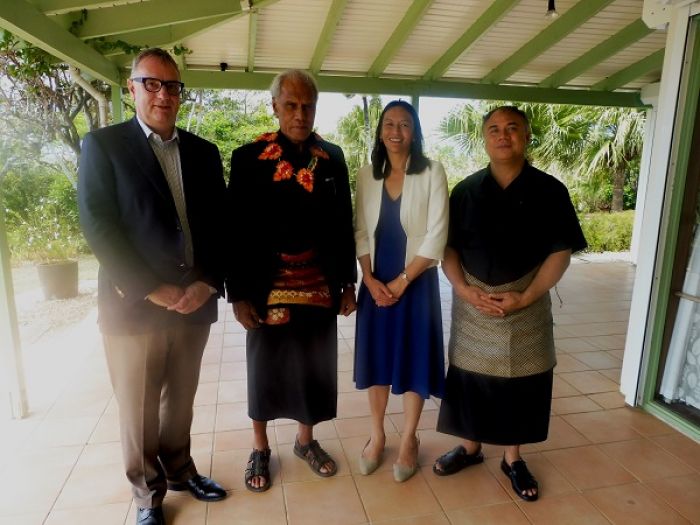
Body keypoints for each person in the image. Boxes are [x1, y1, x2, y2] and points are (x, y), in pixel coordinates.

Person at [78, 48, 227, 525]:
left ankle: (181, 469)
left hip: (193, 303)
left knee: (180, 399)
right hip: (135, 305)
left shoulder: (204, 154)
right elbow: (98, 225)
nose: (163, 95)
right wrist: (149, 288)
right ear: (132, 87)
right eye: (152, 84)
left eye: (172, 86)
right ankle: (147, 495)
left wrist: (208, 282)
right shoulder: (103, 146)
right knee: (139, 409)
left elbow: (221, 227)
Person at [433, 106, 587, 501]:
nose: (503, 135)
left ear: (527, 136)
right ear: (485, 139)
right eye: (494, 129)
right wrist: (463, 289)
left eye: (512, 128)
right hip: (473, 303)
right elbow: (447, 248)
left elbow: (560, 252)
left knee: (523, 383)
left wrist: (527, 296)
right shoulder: (465, 191)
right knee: (471, 380)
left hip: (527, 303)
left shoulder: (551, 191)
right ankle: (470, 448)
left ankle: (512, 458)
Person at [226, 69, 357, 493]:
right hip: (267, 286)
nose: (300, 114)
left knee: (314, 365)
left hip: (319, 284)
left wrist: (348, 282)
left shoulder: (332, 157)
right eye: (291, 105)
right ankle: (260, 447)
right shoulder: (248, 159)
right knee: (265, 366)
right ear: (275, 107)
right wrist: (239, 294)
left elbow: (343, 224)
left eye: (308, 106)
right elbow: (236, 230)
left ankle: (306, 441)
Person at [353, 100, 448, 482]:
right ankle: (377, 435)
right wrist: (370, 279)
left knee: (414, 360)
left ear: (415, 132)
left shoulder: (432, 172)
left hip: (416, 282)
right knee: (376, 360)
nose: (396, 131)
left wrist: (401, 281)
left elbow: (438, 233)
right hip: (375, 283)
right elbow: (359, 230)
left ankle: (409, 438)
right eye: (389, 123)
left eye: (405, 124)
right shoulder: (365, 175)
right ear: (380, 131)